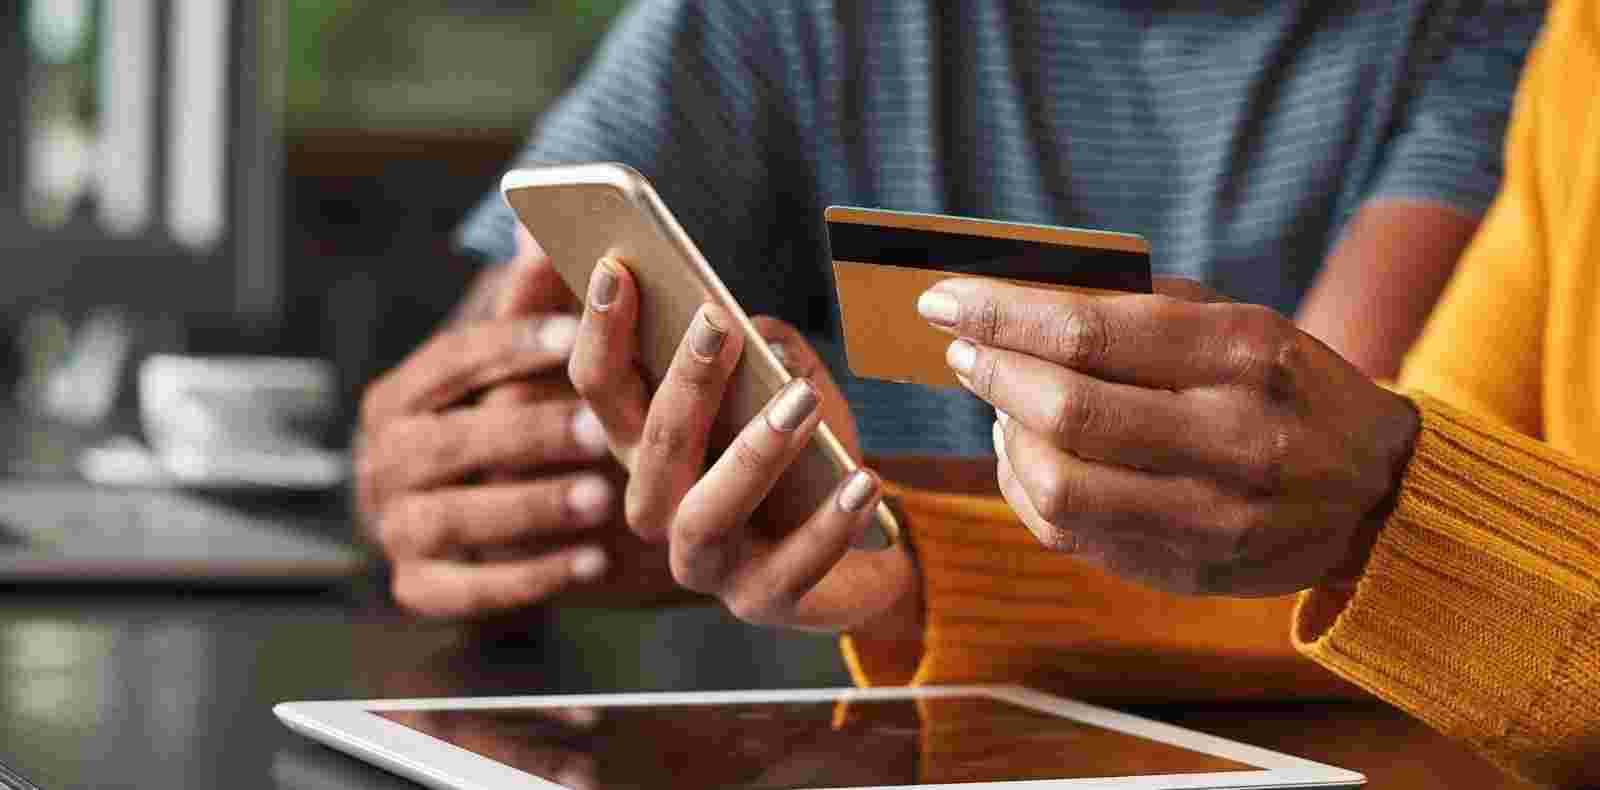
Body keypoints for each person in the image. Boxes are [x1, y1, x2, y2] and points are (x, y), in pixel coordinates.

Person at [545, 0, 1600, 784]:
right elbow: (1419, 606)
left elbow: (1424, 558)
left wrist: (1379, 507)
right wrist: (910, 575)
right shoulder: (1575, 55)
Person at [358, 0, 1541, 618]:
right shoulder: (786, 17)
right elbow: (503, 352)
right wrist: (441, 471)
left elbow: (1293, 521)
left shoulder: (1494, 33)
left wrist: (875, 536)